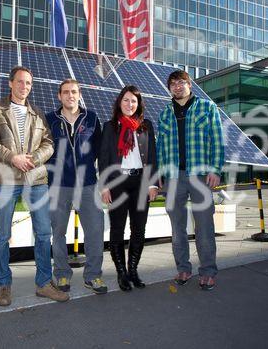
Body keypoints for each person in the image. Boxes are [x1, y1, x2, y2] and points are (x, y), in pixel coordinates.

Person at [0, 66, 69, 306]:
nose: (24, 87)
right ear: (10, 83)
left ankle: (43, 283)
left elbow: (49, 143)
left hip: (36, 180)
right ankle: (3, 285)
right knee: (2, 235)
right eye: (20, 82)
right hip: (7, 180)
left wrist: (35, 159)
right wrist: (13, 158)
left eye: (28, 83)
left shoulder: (38, 114)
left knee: (43, 233)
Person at [156, 70, 224, 291]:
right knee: (177, 228)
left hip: (201, 176)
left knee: (204, 225)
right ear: (169, 88)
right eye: (173, 83)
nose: (177, 86)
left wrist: (215, 169)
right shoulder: (165, 113)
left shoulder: (207, 107)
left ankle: (208, 272)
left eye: (181, 82)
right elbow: (160, 149)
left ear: (190, 84)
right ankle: (183, 269)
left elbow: (217, 140)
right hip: (173, 178)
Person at [46, 79, 107, 294]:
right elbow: (44, 149)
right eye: (65, 92)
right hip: (59, 185)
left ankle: (93, 276)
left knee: (95, 231)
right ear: (59, 96)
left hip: (88, 184)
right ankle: (62, 275)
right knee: (58, 232)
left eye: (74, 92)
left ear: (79, 94)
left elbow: (100, 150)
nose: (70, 96)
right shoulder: (50, 120)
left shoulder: (91, 118)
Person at [98, 85, 159, 292]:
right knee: (117, 230)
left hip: (141, 183)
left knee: (139, 230)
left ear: (139, 104)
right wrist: (104, 186)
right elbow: (104, 158)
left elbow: (152, 156)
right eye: (126, 100)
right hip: (117, 183)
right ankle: (121, 273)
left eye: (134, 101)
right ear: (119, 102)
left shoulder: (146, 126)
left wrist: (153, 184)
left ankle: (133, 270)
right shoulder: (110, 126)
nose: (130, 104)